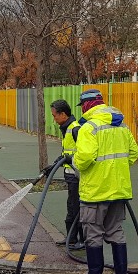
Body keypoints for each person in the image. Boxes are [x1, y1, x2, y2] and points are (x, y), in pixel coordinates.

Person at [72, 89, 138, 274]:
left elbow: (84, 158)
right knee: (115, 230)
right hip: (119, 190)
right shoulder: (122, 125)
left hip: (95, 191)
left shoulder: (89, 127)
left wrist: (74, 162)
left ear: (87, 105)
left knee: (93, 232)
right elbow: (133, 152)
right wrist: (116, 170)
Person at [50, 99, 85, 250]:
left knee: (77, 208)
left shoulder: (75, 129)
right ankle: (71, 238)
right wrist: (55, 163)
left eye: (55, 115)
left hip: (78, 177)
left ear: (63, 114)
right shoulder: (67, 128)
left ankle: (82, 241)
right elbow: (67, 152)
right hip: (70, 176)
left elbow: (84, 153)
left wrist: (70, 160)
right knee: (71, 206)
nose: (54, 119)